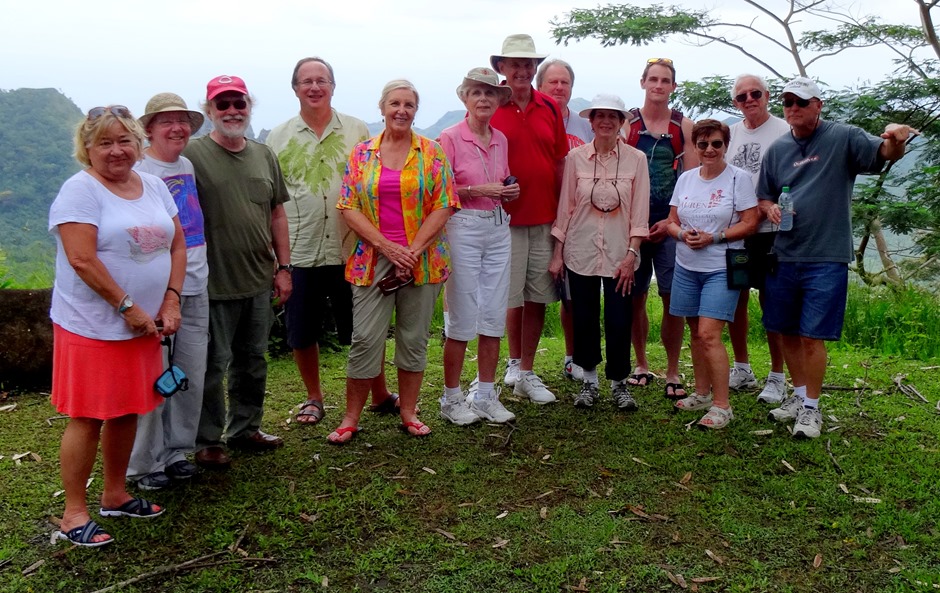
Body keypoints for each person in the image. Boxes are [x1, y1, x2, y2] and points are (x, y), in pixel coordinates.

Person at [48, 105, 184, 547]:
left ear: (139, 144)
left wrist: (170, 299)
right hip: (92, 325)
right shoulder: (79, 191)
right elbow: (81, 259)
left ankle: (116, 493)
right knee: (88, 415)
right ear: (86, 148)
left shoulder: (154, 185)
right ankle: (73, 513)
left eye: (124, 140)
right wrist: (128, 308)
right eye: (104, 142)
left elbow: (178, 243)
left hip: (145, 325)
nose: (116, 151)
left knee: (127, 409)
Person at [758, 77, 916, 438]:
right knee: (784, 331)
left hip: (826, 255)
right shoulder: (778, 149)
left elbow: (884, 155)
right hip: (784, 254)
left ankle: (812, 409)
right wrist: (769, 210)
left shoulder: (844, 136)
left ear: (818, 104)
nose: (793, 108)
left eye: (801, 101)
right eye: (787, 102)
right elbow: (764, 195)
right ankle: (798, 396)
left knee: (813, 335)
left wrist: (895, 138)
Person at [266, 57, 399, 427]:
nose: (314, 87)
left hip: (351, 247)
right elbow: (273, 199)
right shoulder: (278, 137)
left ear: (333, 86)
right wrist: (276, 258)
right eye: (306, 81)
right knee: (301, 329)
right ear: (295, 88)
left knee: (363, 327)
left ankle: (380, 393)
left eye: (321, 80)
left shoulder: (358, 131)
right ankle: (314, 397)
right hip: (300, 248)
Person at [327, 80, 456, 443]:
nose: (402, 110)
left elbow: (445, 203)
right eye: (395, 103)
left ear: (416, 111)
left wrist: (411, 251)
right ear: (382, 107)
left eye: (409, 105)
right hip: (372, 258)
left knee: (413, 338)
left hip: (423, 260)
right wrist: (388, 248)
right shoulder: (363, 153)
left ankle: (409, 411)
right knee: (366, 338)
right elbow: (349, 206)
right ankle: (351, 416)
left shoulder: (431, 153)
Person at [183, 75, 292, 468]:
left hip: (258, 277)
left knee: (254, 359)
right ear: (209, 110)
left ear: (249, 107)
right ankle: (208, 440)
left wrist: (284, 268)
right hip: (210, 282)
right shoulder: (192, 156)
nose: (232, 111)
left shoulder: (263, 154)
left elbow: (277, 213)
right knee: (212, 364)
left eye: (239, 103)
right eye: (223, 104)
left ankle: (245, 428)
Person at [127, 93, 208, 490]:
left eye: (183, 121)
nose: (177, 128)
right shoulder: (138, 169)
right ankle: (144, 463)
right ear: (148, 129)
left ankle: (178, 451)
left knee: (189, 372)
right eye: (166, 122)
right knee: (152, 376)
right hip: (158, 290)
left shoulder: (187, 165)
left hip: (197, 281)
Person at [549, 94, 650, 410]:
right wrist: (557, 253)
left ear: (621, 122)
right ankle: (589, 382)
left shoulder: (636, 159)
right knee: (584, 316)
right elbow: (565, 207)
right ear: (591, 122)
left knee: (620, 316)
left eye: (612, 116)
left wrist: (633, 254)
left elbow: (639, 212)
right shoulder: (575, 158)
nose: (605, 121)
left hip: (621, 252)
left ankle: (620, 383)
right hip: (580, 247)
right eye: (599, 116)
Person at [490, 34, 569, 404]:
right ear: (501, 68)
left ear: (534, 68)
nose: (522, 69)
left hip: (543, 216)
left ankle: (527, 371)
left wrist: (562, 214)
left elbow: (558, 162)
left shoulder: (549, 108)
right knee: (507, 297)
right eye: (514, 63)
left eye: (527, 63)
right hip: (502, 220)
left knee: (537, 295)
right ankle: (510, 362)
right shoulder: (491, 104)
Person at [665, 119, 759, 429]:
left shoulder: (738, 179)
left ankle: (722, 406)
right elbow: (672, 220)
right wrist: (682, 235)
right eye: (703, 144)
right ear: (694, 146)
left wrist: (714, 237)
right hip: (687, 265)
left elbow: (750, 222)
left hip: (722, 265)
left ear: (725, 146)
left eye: (716, 143)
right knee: (695, 332)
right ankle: (702, 393)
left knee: (709, 334)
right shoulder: (687, 179)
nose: (709, 149)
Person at [438, 67, 518, 426]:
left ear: (498, 101)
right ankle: (451, 397)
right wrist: (477, 190)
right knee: (462, 313)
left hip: (498, 225)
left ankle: (485, 393)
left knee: (493, 312)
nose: (483, 99)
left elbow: (500, 181)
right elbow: (441, 191)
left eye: (489, 93)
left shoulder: (500, 138)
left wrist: (507, 190)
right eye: (475, 92)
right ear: (464, 98)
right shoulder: (449, 137)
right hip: (463, 227)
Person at [623, 58, 697, 399]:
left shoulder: (684, 126)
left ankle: (672, 369)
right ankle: (640, 363)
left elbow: (692, 181)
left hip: (671, 224)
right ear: (642, 83)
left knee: (672, 299)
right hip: (632, 224)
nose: (658, 85)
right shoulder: (628, 124)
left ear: (673, 87)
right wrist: (636, 224)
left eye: (665, 80)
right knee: (635, 296)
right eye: (653, 79)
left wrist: (671, 221)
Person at [724, 75, 791, 402]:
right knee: (734, 298)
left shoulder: (783, 132)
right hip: (737, 234)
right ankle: (742, 367)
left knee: (771, 300)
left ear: (766, 96)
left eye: (755, 94)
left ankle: (777, 375)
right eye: (741, 96)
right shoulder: (730, 134)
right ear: (735, 102)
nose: (749, 100)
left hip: (771, 234)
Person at [536, 58, 592, 382]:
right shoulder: (534, 120)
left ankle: (572, 357)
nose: (558, 88)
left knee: (575, 293)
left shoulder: (583, 126)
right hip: (542, 214)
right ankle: (517, 362)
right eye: (552, 82)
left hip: (580, 219)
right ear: (540, 86)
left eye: (564, 83)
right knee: (533, 294)